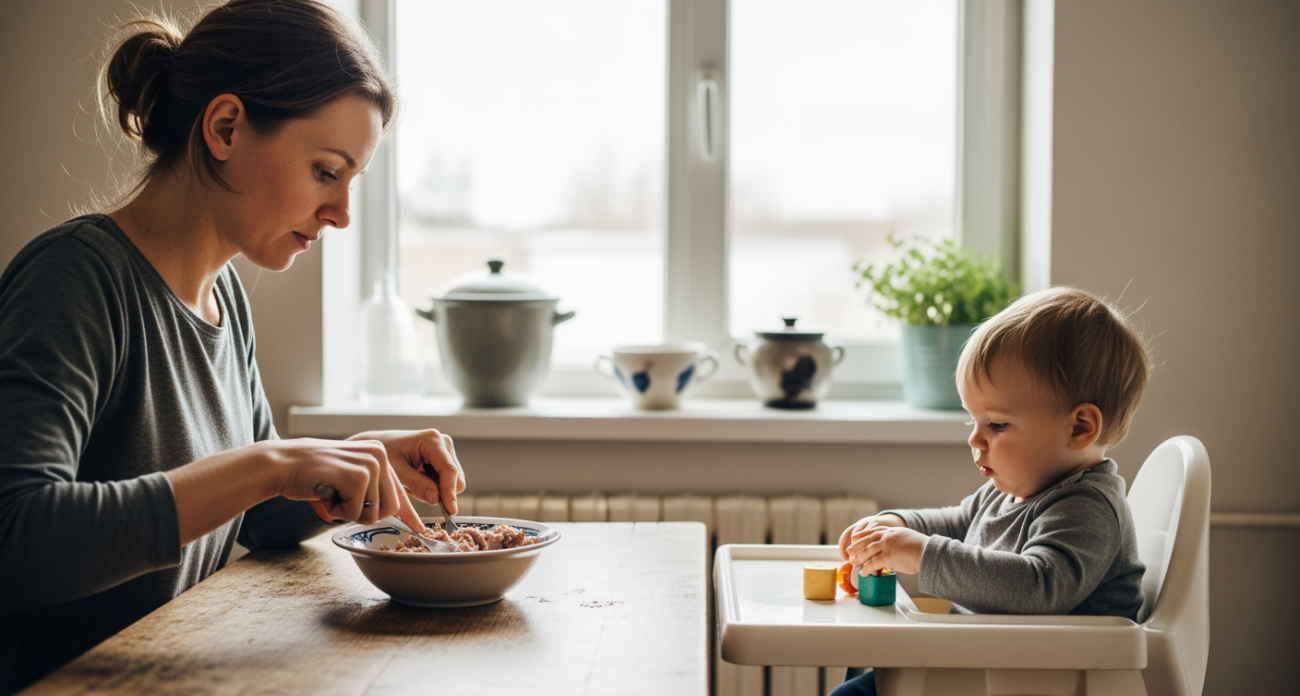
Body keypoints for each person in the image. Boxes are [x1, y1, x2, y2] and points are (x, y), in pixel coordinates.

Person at [0, 2, 463, 692]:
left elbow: (255, 512)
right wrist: (270, 462)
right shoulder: (75, 278)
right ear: (225, 128)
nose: (340, 215)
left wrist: (354, 458)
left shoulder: (225, 299)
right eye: (326, 172)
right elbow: (16, 538)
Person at [832, 287, 1151, 696]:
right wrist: (898, 525)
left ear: (1080, 428)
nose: (976, 440)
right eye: (973, 421)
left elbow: (1040, 587)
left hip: (1045, 683)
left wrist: (921, 553)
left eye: (997, 425)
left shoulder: (1087, 507)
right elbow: (958, 522)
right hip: (989, 671)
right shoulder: (1015, 489)